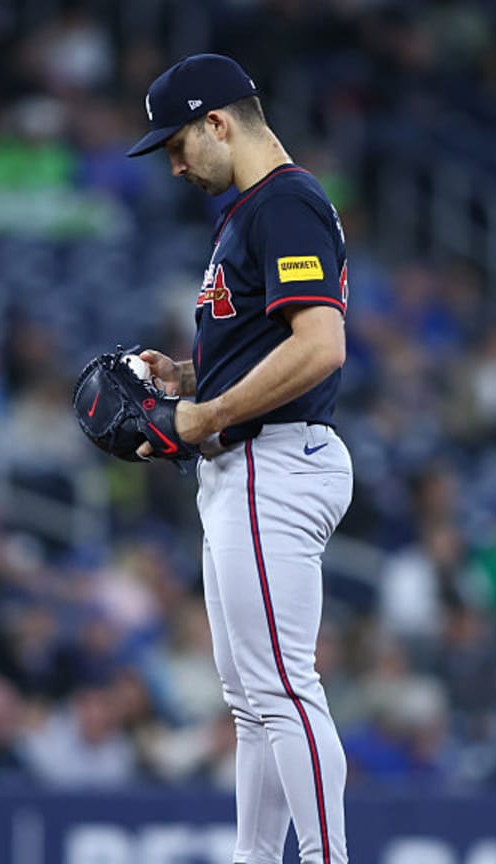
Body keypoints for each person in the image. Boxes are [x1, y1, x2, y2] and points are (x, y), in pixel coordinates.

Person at [127, 54, 352, 864]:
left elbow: (321, 347)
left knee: (283, 689)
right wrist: (190, 378)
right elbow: (270, 342)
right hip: (249, 463)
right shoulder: (253, 212)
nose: (176, 163)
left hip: (270, 460)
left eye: (179, 143)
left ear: (218, 121)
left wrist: (206, 413)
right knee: (254, 701)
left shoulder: (284, 199)